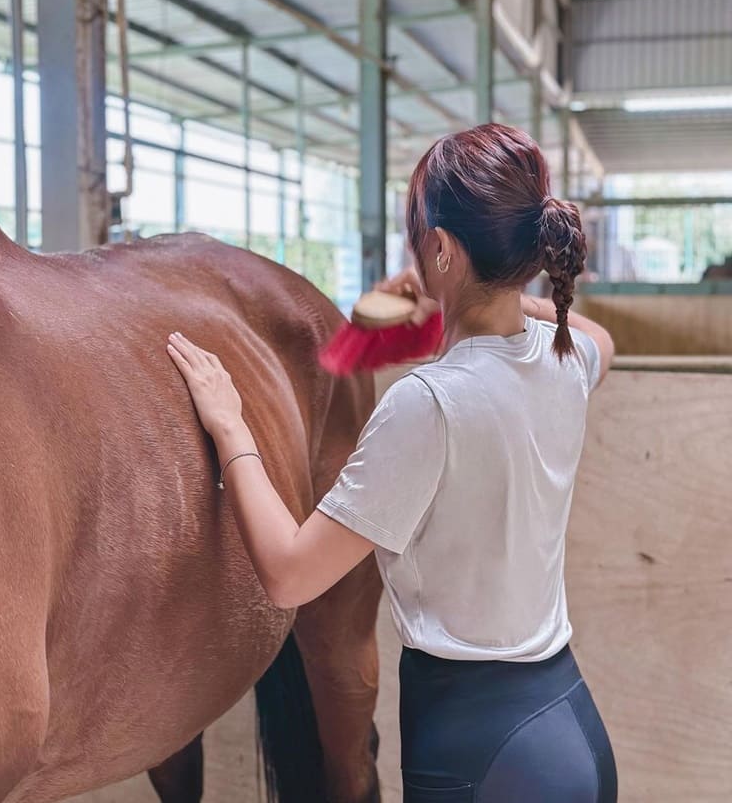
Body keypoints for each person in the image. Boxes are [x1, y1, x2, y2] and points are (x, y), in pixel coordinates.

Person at [167, 124, 618, 802]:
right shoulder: (566, 358)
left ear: (438, 248)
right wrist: (493, 288)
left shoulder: (430, 403)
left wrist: (232, 426)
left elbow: (290, 576)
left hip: (476, 748)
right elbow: (600, 337)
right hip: (569, 725)